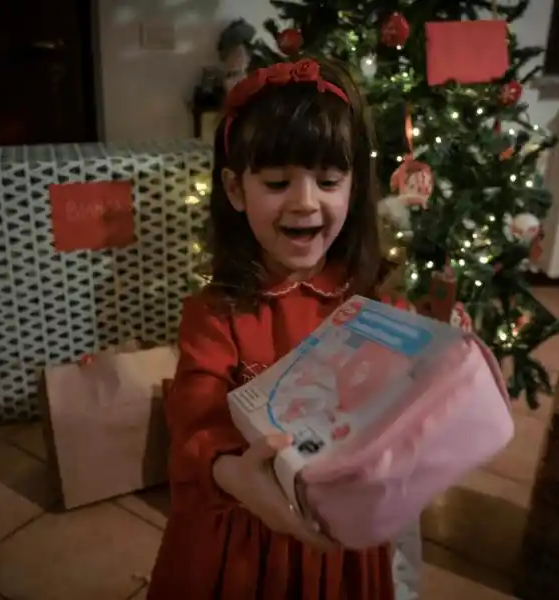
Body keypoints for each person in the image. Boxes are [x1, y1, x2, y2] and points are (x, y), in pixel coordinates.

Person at [147, 57, 406, 600]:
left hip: (339, 541)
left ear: (353, 187)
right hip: (241, 545)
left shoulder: (368, 304)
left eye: (328, 180)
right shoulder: (216, 314)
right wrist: (230, 472)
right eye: (277, 181)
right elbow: (193, 418)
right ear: (237, 190)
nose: (305, 201)